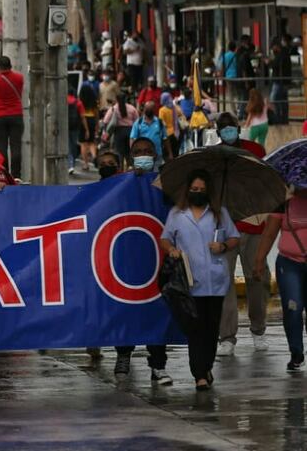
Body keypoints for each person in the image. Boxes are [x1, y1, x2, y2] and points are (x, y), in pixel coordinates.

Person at [159, 169, 239, 390]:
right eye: (194, 189)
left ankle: (205, 367)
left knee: (211, 329)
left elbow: (234, 238)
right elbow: (165, 239)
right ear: (188, 190)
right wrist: (172, 249)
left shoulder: (220, 214)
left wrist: (222, 246)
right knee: (195, 329)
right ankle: (199, 374)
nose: (197, 193)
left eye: (201, 190)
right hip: (189, 281)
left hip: (215, 281)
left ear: (208, 191)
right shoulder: (177, 214)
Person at [99, 141, 172, 385]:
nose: (143, 156)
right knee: (126, 309)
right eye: (138, 153)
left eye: (147, 152)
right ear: (131, 158)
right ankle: (123, 356)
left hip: (157, 258)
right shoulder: (121, 184)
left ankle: (158, 365)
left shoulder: (164, 182)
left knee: (156, 309)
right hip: (126, 257)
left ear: (155, 155)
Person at [214, 112, 269, 357]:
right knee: (223, 282)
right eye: (223, 128)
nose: (228, 131)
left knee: (257, 278)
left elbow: (268, 182)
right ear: (218, 133)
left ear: (238, 128)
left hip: (254, 226)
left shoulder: (255, 150)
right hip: (224, 230)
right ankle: (227, 336)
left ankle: (258, 330)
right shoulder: (213, 157)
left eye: (231, 127)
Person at [254, 189, 307, 371]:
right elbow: (269, 233)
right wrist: (259, 261)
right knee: (293, 307)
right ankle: (296, 352)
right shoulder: (283, 202)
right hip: (289, 264)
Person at [0, 56, 24, 178]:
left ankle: (4, 173)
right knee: (16, 146)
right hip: (16, 114)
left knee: (1, 147)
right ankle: (16, 175)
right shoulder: (20, 78)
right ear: (10, 66)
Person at [102, 96, 138, 167]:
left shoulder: (113, 108)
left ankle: (120, 169)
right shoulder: (132, 108)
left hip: (119, 132)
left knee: (119, 153)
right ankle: (130, 168)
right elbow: (137, 120)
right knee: (129, 152)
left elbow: (105, 120)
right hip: (130, 131)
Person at [270, 34, 292, 125]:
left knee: (275, 99)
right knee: (283, 101)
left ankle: (279, 118)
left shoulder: (280, 55)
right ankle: (283, 118)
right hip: (284, 81)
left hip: (279, 81)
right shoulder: (285, 53)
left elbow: (276, 65)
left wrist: (270, 62)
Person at [67, 88, 88, 175]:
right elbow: (83, 117)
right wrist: (86, 129)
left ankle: (70, 164)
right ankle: (72, 163)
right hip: (75, 127)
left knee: (67, 146)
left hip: (65, 127)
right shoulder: (78, 102)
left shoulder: (62, 100)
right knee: (73, 144)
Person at [78, 84, 99, 171]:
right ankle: (94, 157)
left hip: (83, 121)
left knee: (83, 143)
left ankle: (86, 164)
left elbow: (80, 113)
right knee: (91, 142)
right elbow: (97, 113)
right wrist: (97, 124)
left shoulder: (80, 101)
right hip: (92, 120)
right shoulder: (94, 101)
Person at [158, 92, 181, 160]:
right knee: (176, 153)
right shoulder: (175, 108)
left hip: (167, 135)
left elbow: (161, 123)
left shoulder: (162, 110)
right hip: (177, 133)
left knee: (167, 155)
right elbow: (181, 115)